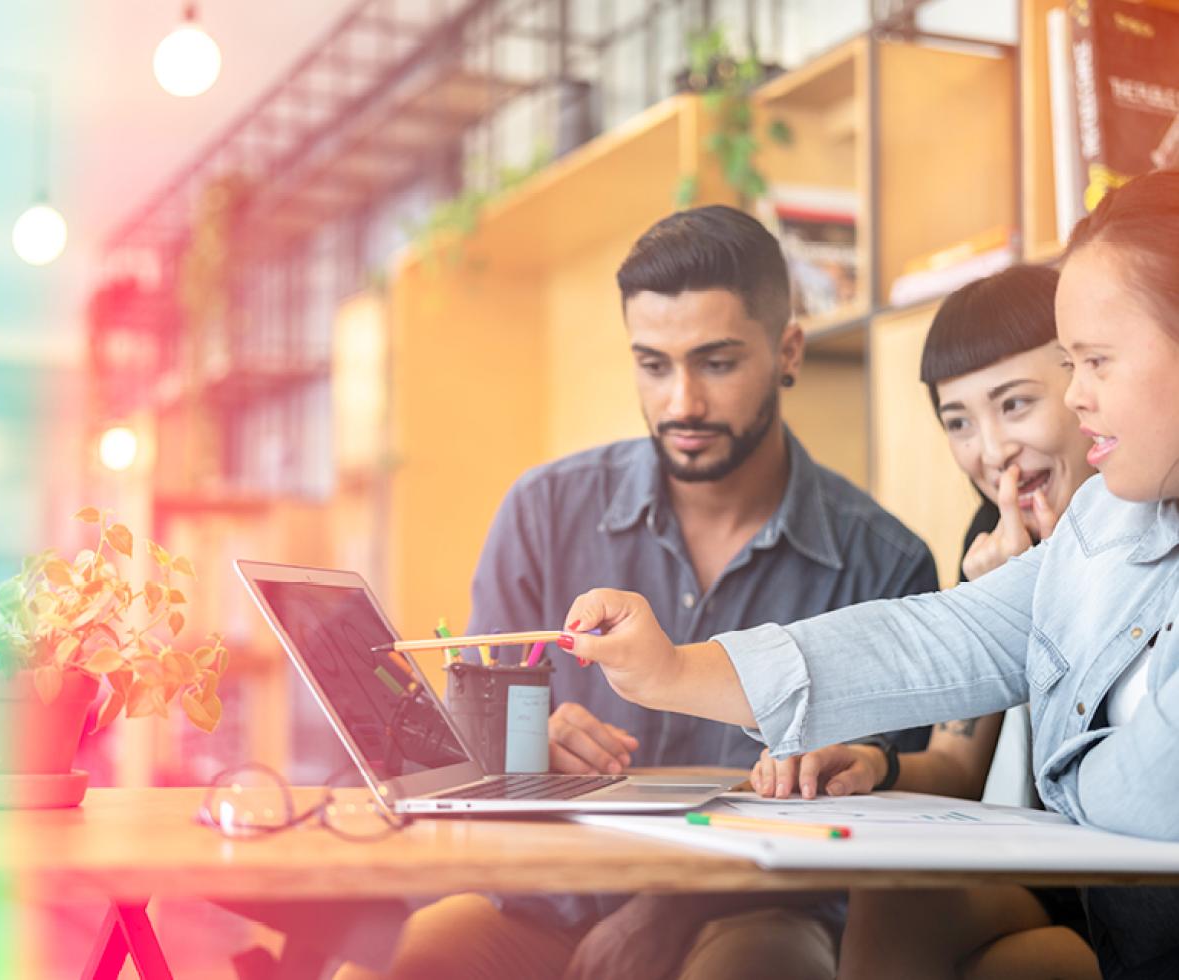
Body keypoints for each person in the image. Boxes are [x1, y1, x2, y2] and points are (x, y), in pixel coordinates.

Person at [560, 170, 1179, 980]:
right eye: (1067, 363)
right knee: (903, 899)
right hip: (1127, 931)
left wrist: (1051, 782)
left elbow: (1145, 789)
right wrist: (675, 669)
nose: (1076, 396)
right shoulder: (1111, 517)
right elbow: (934, 636)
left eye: (1095, 361)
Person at [362, 205, 939, 980]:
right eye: (654, 364)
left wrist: (672, 908)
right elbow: (466, 755)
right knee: (413, 956)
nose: (681, 404)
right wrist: (516, 744)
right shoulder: (543, 512)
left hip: (754, 914)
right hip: (548, 903)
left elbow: (880, 817)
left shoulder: (883, 564)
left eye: (718, 362)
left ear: (787, 350)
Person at [749, 264, 1099, 978]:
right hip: (1058, 871)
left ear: (1085, 380)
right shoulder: (994, 529)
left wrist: (1038, 604)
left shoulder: (1141, 511)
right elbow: (958, 761)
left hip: (1136, 880)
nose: (991, 450)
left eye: (1015, 404)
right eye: (958, 422)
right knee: (892, 894)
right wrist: (874, 762)